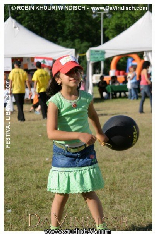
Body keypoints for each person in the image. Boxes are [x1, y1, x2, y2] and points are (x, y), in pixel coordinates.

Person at [46, 55, 109, 230]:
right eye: (68, 73)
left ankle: (101, 228)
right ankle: (54, 229)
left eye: (77, 71)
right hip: (63, 154)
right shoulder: (54, 102)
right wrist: (79, 134)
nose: (74, 75)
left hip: (85, 153)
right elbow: (51, 133)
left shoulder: (86, 98)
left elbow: (93, 116)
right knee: (61, 194)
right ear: (58, 79)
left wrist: (100, 133)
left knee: (88, 192)